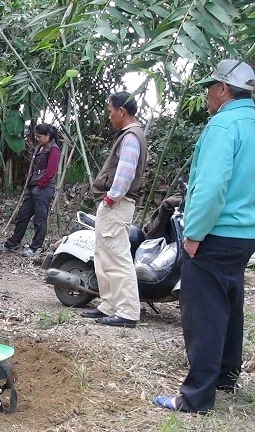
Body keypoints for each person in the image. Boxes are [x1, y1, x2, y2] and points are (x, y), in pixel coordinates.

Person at [153, 59, 255, 414]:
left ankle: (196, 397)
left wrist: (195, 233)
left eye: (210, 87)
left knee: (204, 311)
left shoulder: (224, 126)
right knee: (229, 301)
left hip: (216, 231)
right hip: (245, 235)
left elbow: (211, 187)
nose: (207, 94)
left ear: (223, 89)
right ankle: (226, 374)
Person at [80, 92, 147, 328]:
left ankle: (128, 311)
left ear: (121, 111)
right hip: (114, 204)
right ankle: (109, 304)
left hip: (117, 204)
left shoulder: (131, 137)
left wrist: (110, 199)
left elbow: (125, 174)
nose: (109, 116)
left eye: (110, 111)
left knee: (117, 257)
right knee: (103, 254)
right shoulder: (129, 135)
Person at [0, 123, 60, 257]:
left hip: (44, 188)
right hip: (33, 187)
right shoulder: (40, 148)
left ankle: (36, 247)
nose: (37, 139)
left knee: (40, 219)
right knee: (23, 215)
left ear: (48, 136)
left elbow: (51, 171)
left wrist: (41, 185)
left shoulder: (54, 149)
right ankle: (13, 243)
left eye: (40, 136)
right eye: (36, 136)